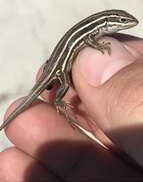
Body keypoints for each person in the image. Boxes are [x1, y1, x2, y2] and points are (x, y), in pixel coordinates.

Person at [0, 35, 143, 181]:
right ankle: (58, 102)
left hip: (55, 64)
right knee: (65, 85)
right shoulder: (92, 33)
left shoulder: (93, 31)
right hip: (58, 67)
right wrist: (99, 47)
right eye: (123, 22)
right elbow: (87, 40)